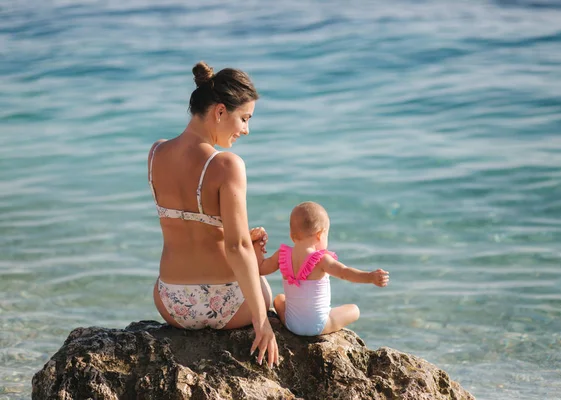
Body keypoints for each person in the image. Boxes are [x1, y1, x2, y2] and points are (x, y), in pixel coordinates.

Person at [148, 61, 278, 368]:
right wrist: (263, 322)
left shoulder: (155, 153)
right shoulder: (227, 165)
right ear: (220, 112)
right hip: (228, 307)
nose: (246, 130)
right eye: (244, 118)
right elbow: (237, 248)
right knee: (264, 290)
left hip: (170, 303)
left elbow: (189, 225)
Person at [255, 201, 390, 336]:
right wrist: (370, 277)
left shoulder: (282, 255)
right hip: (318, 326)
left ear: (292, 235)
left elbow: (261, 268)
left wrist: (257, 247)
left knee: (279, 299)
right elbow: (345, 273)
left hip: (291, 325)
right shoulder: (321, 259)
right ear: (320, 235)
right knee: (354, 310)